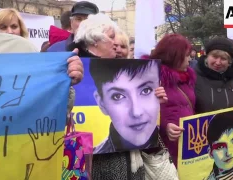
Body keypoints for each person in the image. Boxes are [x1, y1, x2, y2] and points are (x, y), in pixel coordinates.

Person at [70, 13, 167, 180]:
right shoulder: (71, 69)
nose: (116, 44)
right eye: (111, 37)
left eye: (144, 91)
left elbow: (154, 151)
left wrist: (155, 101)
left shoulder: (132, 69)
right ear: (95, 40)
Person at [0, 0, 84, 120]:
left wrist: (64, 82)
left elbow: (49, 112)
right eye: (3, 27)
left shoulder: (24, 49)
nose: (10, 31)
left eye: (14, 26)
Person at [90, 59, 160, 153]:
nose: (136, 112)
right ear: (101, 103)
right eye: (118, 96)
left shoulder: (174, 143)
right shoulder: (93, 161)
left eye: (146, 90)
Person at [149, 33, 196, 166]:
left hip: (186, 141)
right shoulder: (152, 79)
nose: (189, 59)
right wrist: (165, 126)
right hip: (165, 144)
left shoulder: (187, 78)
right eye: (186, 56)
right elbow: (147, 112)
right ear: (174, 56)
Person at [195, 37, 233, 113]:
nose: (218, 62)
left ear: (229, 62)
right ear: (207, 56)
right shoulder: (193, 77)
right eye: (214, 57)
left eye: (223, 58)